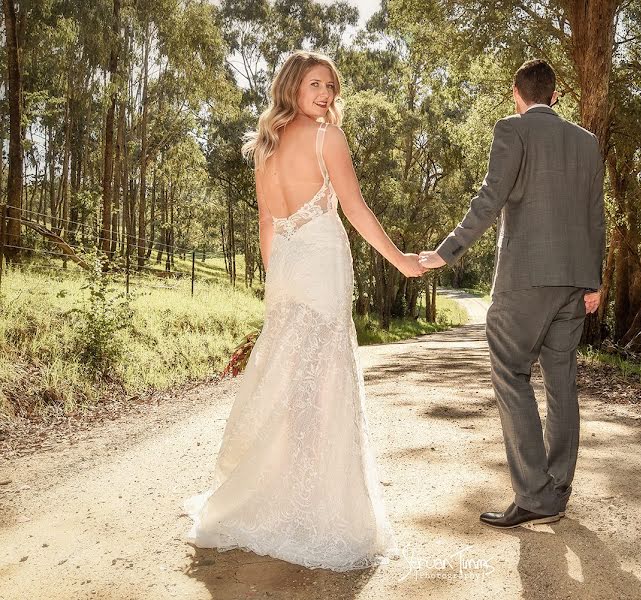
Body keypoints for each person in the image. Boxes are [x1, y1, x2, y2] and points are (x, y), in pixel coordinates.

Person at [184, 50, 423, 570]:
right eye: (316, 84)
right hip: (317, 268)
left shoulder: (264, 146)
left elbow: (269, 227)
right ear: (292, 85)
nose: (326, 95)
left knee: (290, 382)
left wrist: (277, 281)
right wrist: (401, 260)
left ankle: (276, 498)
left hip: (289, 270)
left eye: (331, 88)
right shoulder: (325, 137)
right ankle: (315, 510)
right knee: (322, 383)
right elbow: (355, 209)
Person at [419, 59, 606, 529]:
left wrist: (448, 252)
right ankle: (557, 488)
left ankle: (534, 498)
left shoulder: (512, 129)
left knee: (511, 375)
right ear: (556, 94)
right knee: (561, 382)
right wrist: (596, 280)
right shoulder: (586, 142)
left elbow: (490, 197)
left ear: (515, 93)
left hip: (524, 279)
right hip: (575, 282)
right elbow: (595, 215)